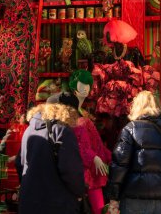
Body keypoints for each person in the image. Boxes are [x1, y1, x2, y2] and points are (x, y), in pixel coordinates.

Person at [106, 91, 161, 214]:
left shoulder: (130, 130)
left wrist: (113, 197)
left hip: (134, 200)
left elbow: (119, 166)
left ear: (136, 107)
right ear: (158, 106)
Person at [15, 92, 85, 214]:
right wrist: (79, 192)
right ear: (69, 111)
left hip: (29, 202)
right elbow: (71, 170)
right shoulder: (62, 131)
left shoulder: (29, 130)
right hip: (56, 204)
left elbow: (19, 163)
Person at [69, 69, 111, 214]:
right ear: (74, 85)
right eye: (82, 85)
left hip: (93, 169)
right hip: (84, 169)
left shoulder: (82, 112)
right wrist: (94, 157)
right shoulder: (71, 113)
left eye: (88, 85)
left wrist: (108, 156)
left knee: (98, 207)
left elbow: (94, 142)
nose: (85, 89)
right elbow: (77, 144)